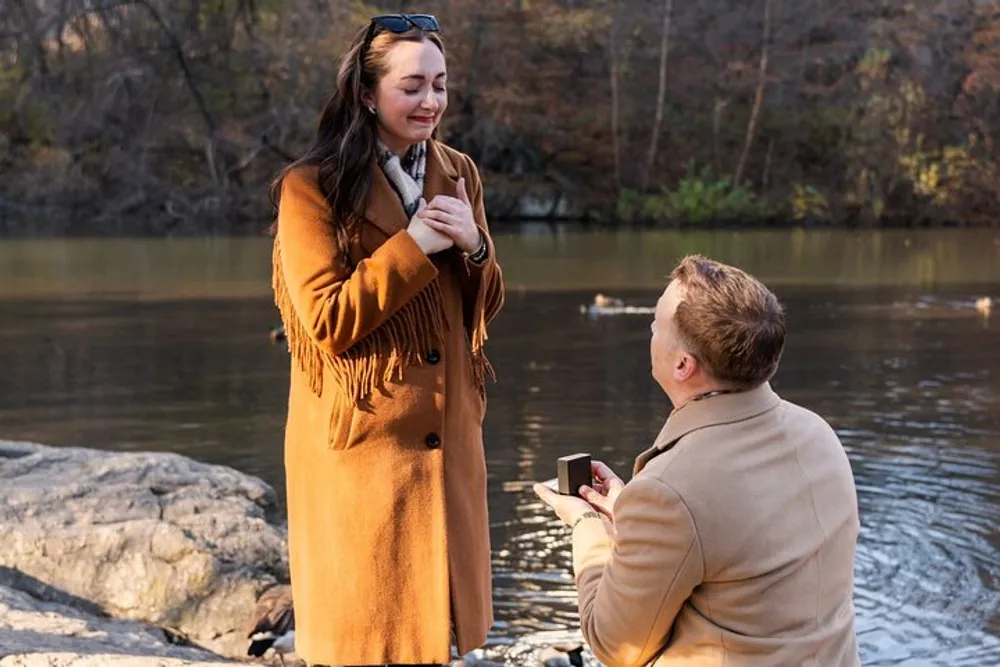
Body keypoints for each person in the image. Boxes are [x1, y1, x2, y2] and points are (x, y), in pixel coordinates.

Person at [269, 13, 504, 667]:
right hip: (363, 454)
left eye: (441, 85)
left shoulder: (458, 171)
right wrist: (417, 246)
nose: (431, 101)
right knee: (367, 638)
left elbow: (483, 306)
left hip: (448, 441)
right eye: (412, 87)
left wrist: (476, 246)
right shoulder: (309, 188)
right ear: (368, 94)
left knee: (441, 640)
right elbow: (325, 319)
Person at [534, 255, 860, 667]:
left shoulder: (669, 489)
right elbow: (739, 549)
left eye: (655, 325)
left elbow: (616, 646)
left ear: (683, 365)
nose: (650, 332)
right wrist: (632, 521)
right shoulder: (818, 435)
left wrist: (588, 526)